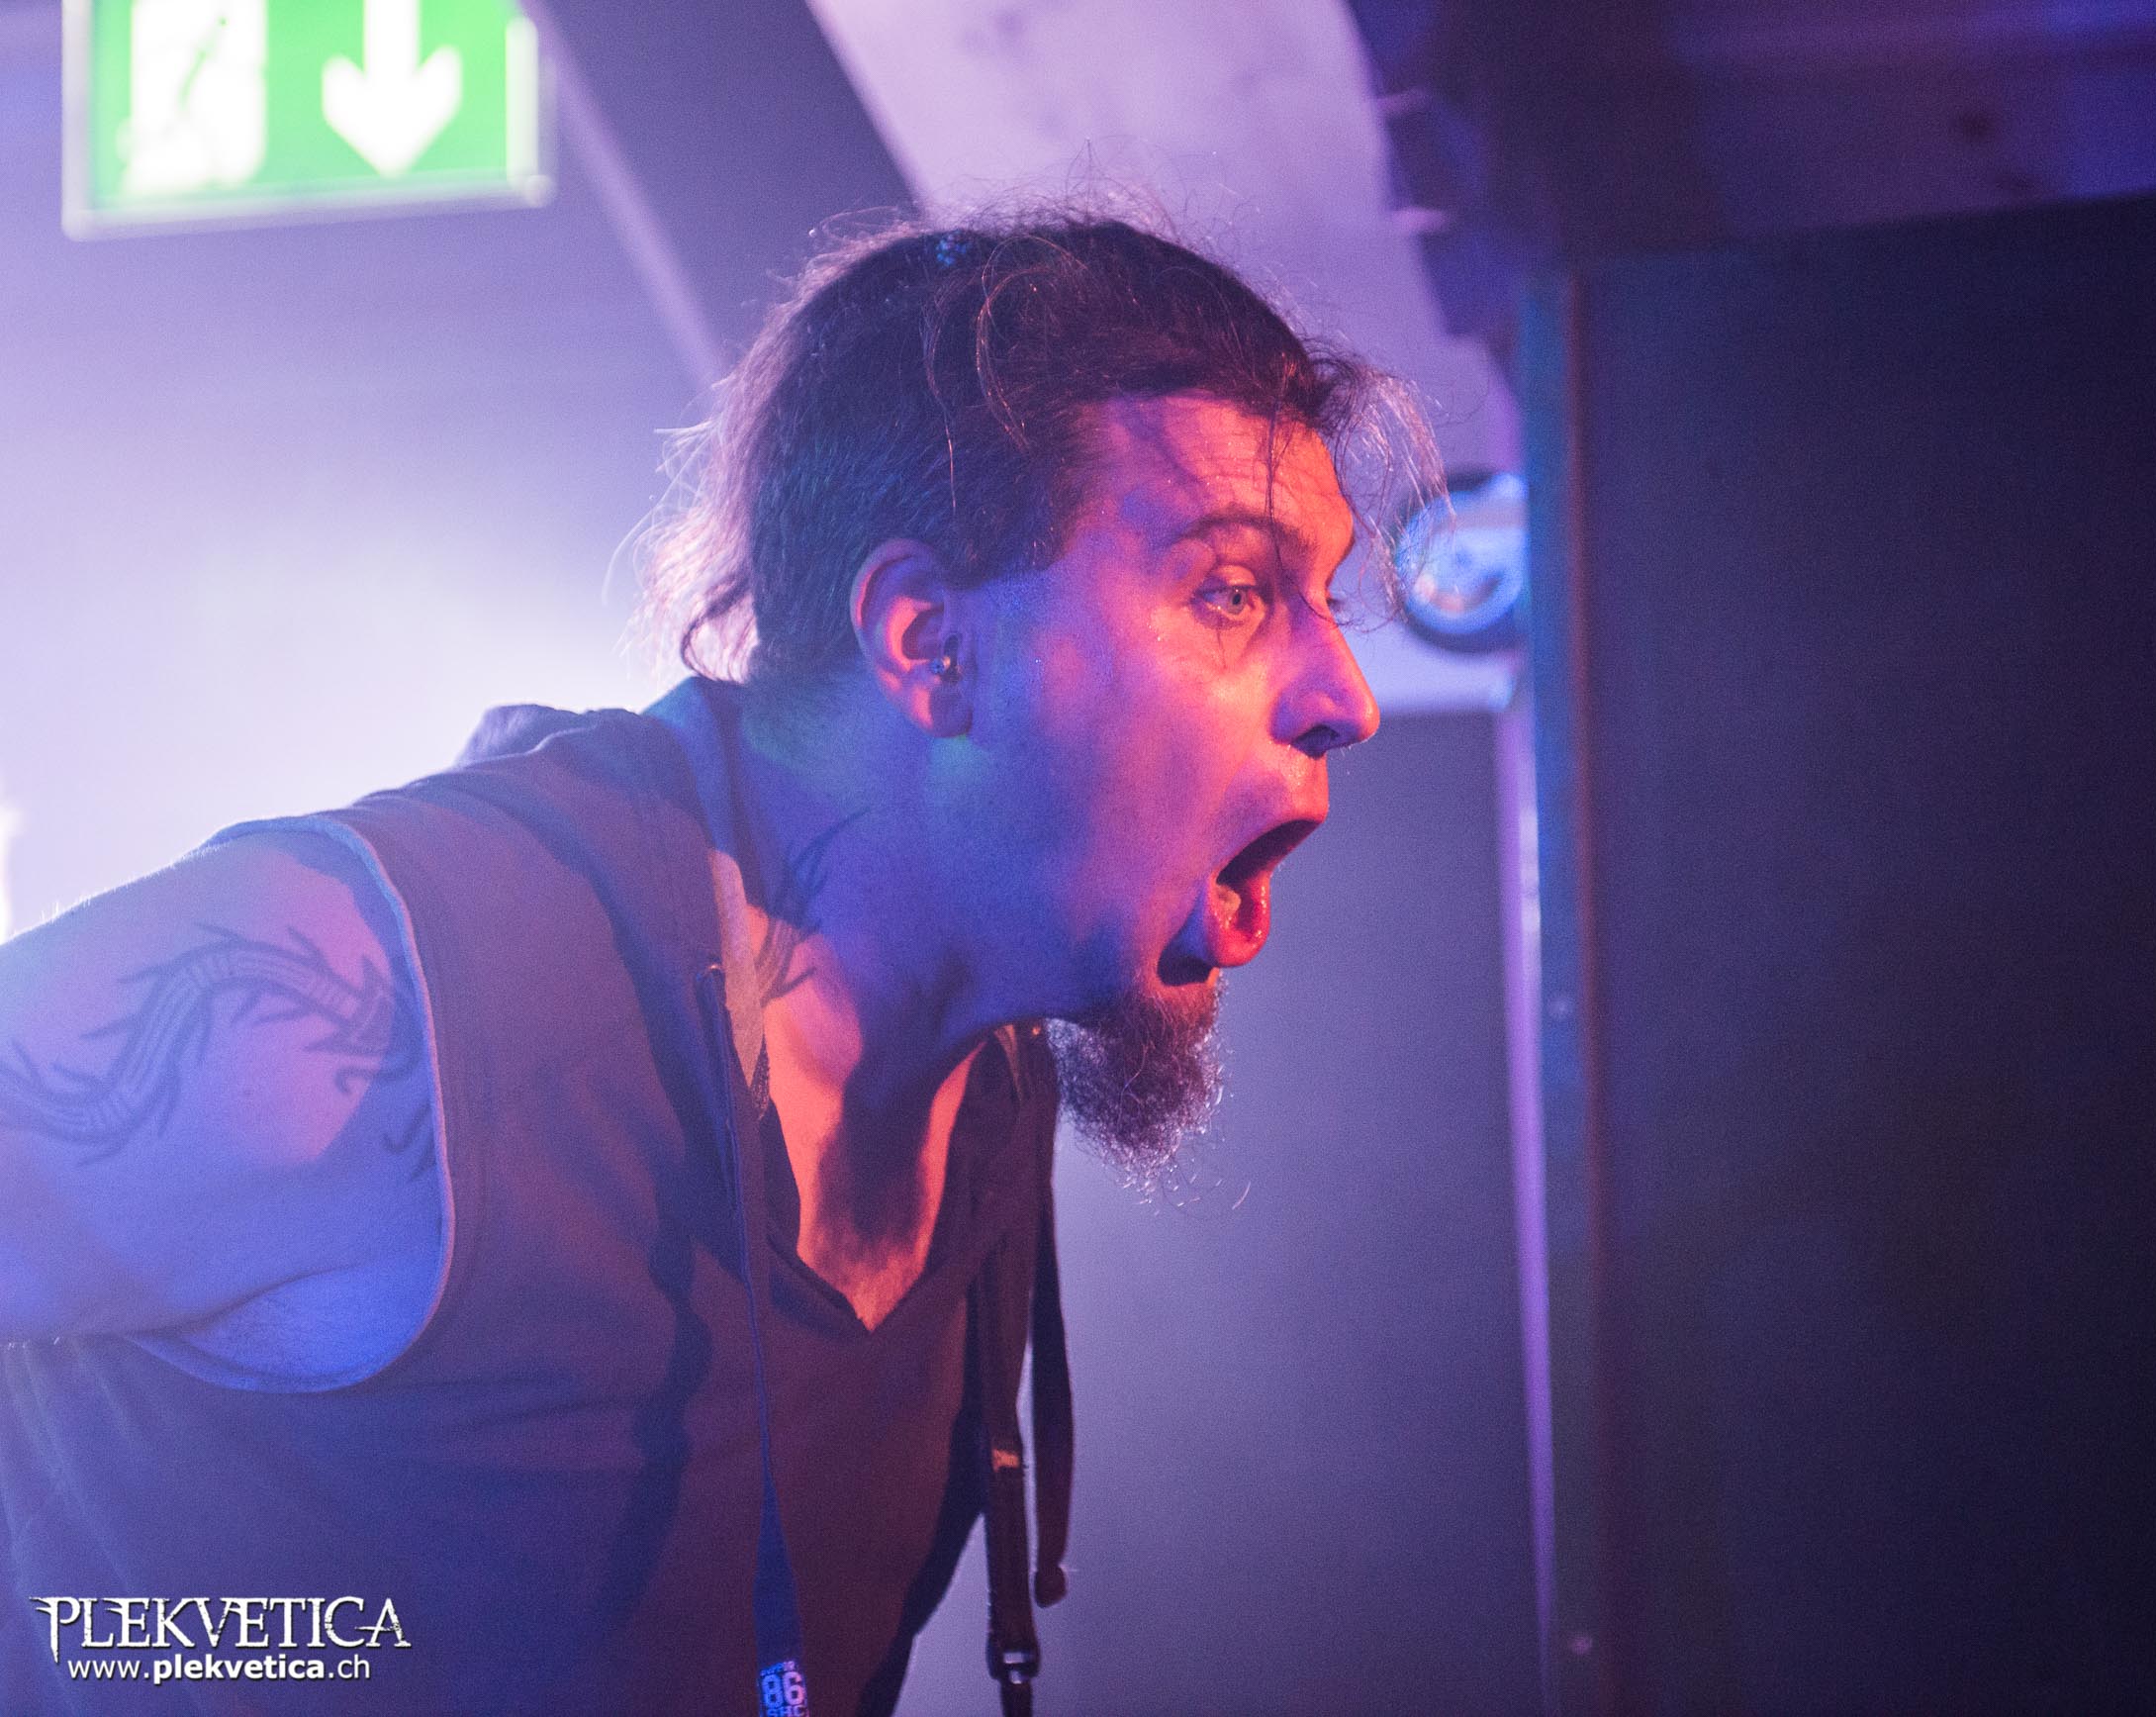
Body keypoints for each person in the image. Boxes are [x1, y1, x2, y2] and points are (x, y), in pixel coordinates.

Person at [0, 213, 1426, 1715]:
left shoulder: (991, 1066)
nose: (1347, 695)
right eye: (1232, 592)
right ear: (930, 645)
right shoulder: (380, 1002)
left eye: (1326, 601)